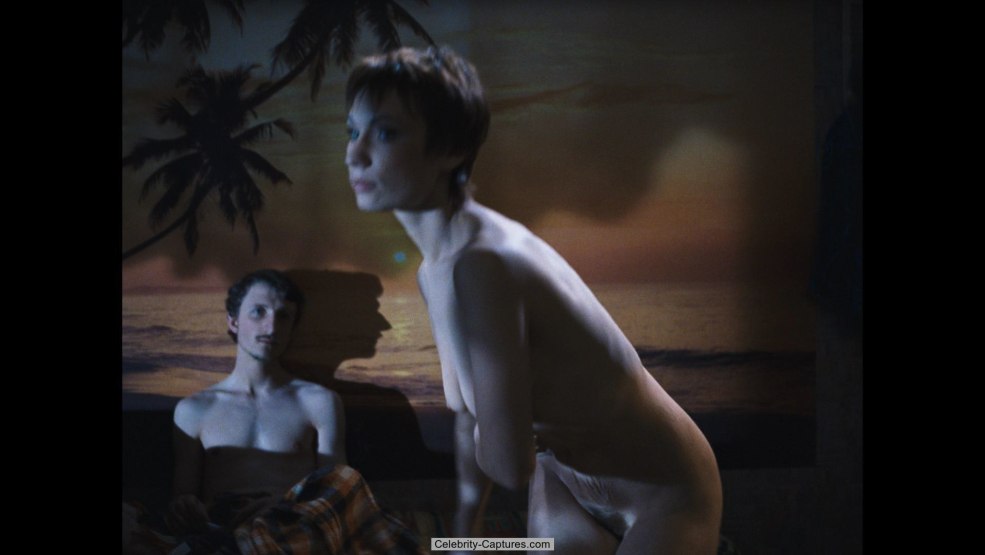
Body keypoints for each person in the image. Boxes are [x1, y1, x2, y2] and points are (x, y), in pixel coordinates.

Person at [344, 46, 723, 554]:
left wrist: (502, 436)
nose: (355, 154)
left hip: (663, 493)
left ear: (450, 148)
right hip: (564, 484)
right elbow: (471, 422)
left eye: (385, 133)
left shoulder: (486, 263)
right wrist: (464, 533)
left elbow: (508, 464)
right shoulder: (433, 271)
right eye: (352, 132)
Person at [163, 269, 422, 554]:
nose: (272, 326)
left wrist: (284, 503)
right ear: (233, 321)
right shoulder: (194, 409)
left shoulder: (318, 401)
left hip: (295, 525)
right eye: (258, 312)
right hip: (228, 527)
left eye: (284, 316)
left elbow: (338, 491)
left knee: (350, 483)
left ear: (293, 327)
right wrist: (187, 508)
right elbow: (181, 499)